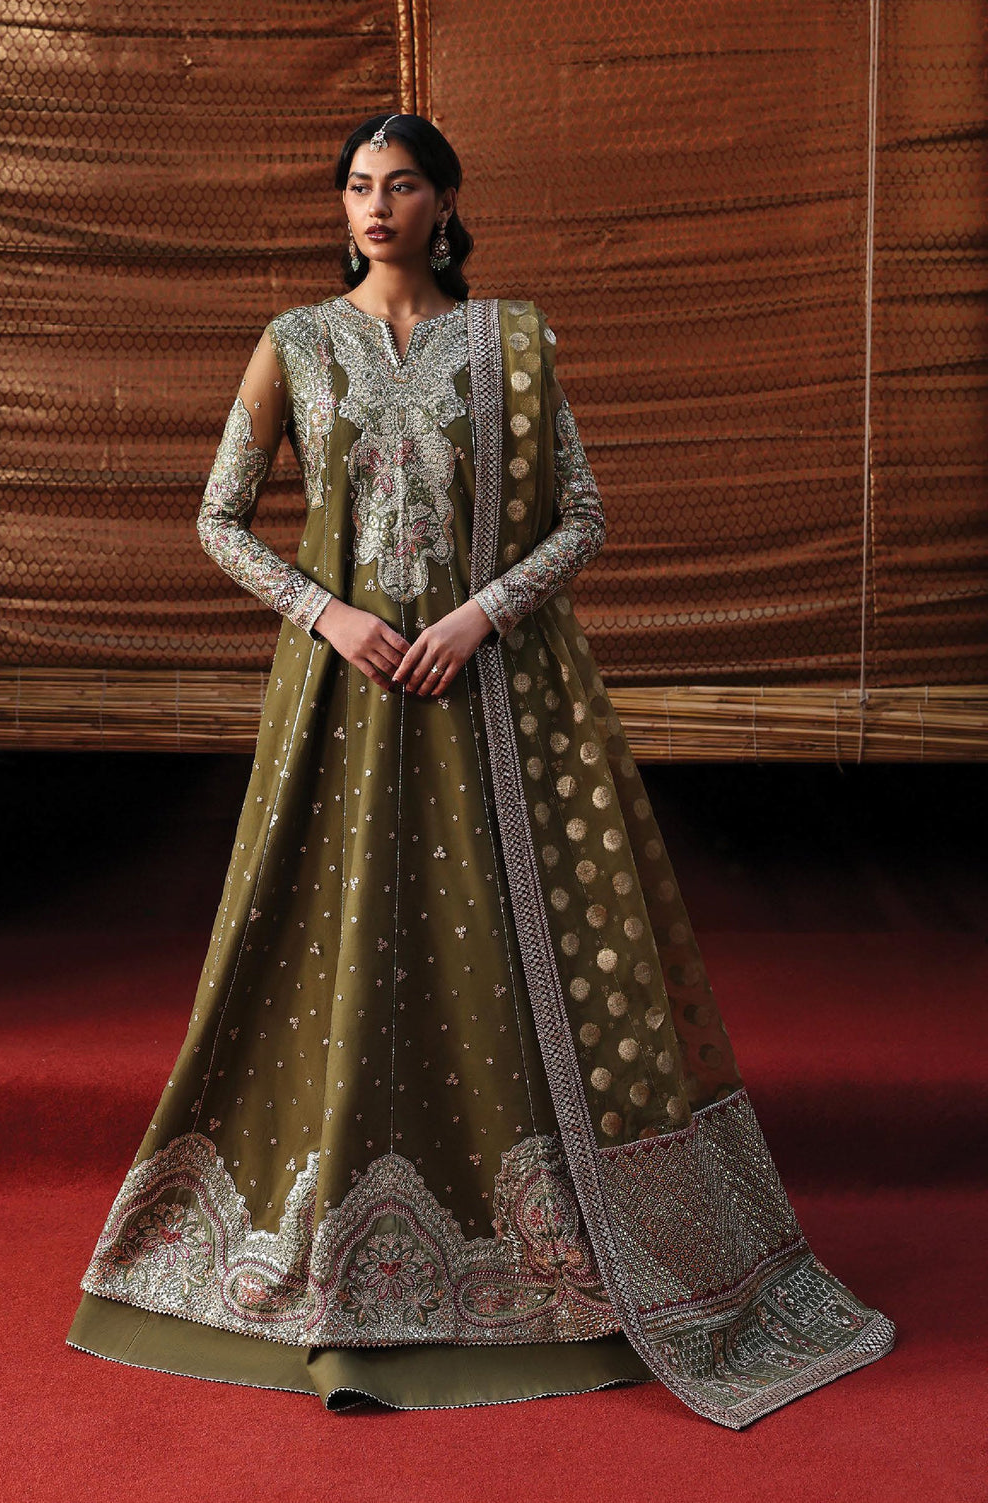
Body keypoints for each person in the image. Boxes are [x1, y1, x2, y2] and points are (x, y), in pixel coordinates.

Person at [66, 112, 895, 1426]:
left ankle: (553, 1250)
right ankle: (325, 1256)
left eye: (401, 184)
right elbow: (219, 519)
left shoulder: (512, 344)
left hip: (493, 697)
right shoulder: (294, 344)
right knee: (332, 938)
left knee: (506, 944)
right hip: (343, 702)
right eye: (357, 185)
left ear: (446, 201)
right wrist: (330, 615)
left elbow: (585, 517)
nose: (375, 205)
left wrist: (478, 617)